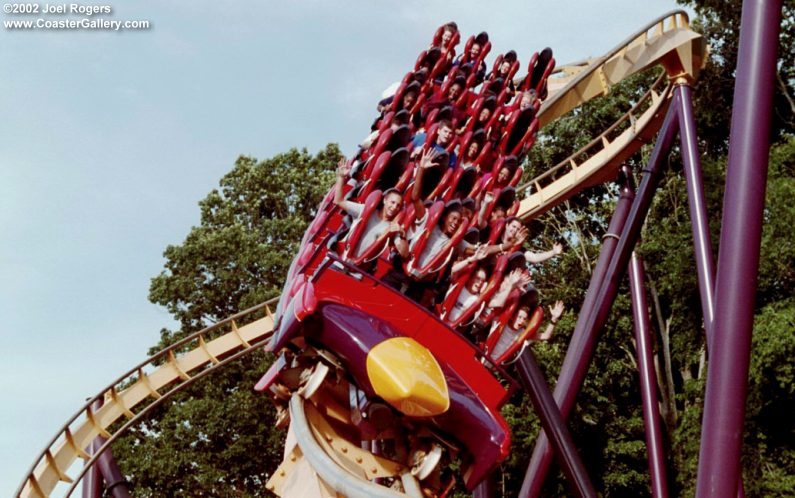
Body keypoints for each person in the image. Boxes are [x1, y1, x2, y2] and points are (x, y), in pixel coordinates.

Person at [333, 159, 405, 265]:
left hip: (358, 271)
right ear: (385, 200)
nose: (394, 207)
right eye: (392, 202)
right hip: (340, 261)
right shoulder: (364, 209)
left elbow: (404, 254)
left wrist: (402, 234)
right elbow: (338, 201)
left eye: (398, 205)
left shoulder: (392, 227)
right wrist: (340, 177)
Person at [489, 300, 564, 360]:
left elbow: (546, 335)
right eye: (519, 317)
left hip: (495, 365)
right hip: (484, 357)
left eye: (524, 319)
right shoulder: (501, 323)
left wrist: (554, 319)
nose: (521, 321)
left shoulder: (523, 333)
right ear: (512, 316)